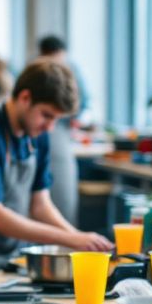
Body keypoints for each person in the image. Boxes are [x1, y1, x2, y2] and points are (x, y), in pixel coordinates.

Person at [0, 60, 113, 278]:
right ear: (25, 98)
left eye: (57, 119)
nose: (50, 126)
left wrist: (79, 238)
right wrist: (70, 239)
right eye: (47, 115)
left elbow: (40, 204)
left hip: (9, 258)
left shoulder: (37, 136)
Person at [38, 35, 89, 227]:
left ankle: (65, 241)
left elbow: (81, 106)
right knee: (57, 194)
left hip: (60, 138)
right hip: (58, 139)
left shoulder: (69, 69)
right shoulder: (67, 68)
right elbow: (83, 106)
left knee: (60, 195)